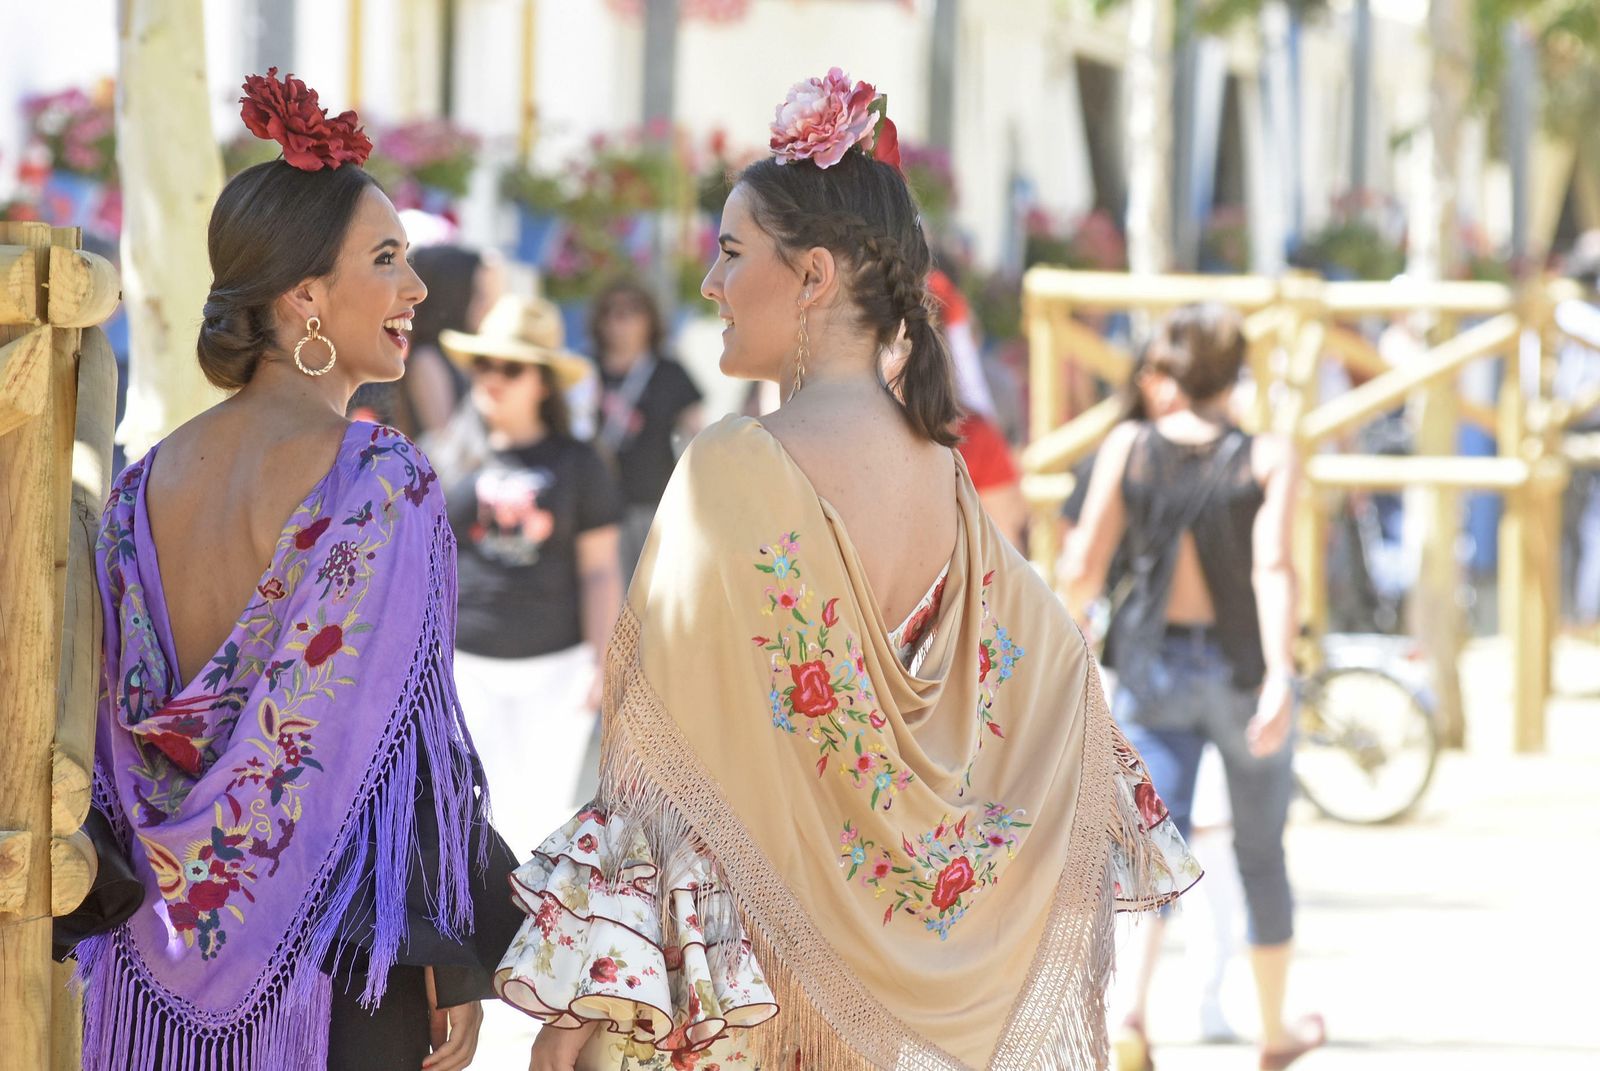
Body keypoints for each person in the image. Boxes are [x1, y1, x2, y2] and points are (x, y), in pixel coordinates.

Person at [494, 68, 1199, 1071]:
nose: (710, 286)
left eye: (732, 254)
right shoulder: (947, 482)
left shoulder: (734, 468)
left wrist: (584, 1009)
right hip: (893, 1019)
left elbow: (663, 776)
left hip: (747, 1004)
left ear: (816, 275)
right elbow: (1058, 681)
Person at [67, 69, 520, 1071]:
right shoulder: (377, 480)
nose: (416, 290)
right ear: (306, 295)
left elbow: (113, 738)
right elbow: (411, 754)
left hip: (140, 967)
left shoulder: (143, 486)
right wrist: (449, 959)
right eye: (389, 259)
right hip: (335, 978)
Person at [1061, 304, 1323, 1070]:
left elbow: (1082, 566)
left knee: (1148, 849)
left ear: (1171, 372)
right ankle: (1275, 1031)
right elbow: (1274, 566)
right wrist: (1280, 671)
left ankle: (1133, 1018)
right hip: (1243, 670)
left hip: (1153, 667)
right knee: (1260, 851)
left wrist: (1071, 636)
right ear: (1236, 374)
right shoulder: (1268, 455)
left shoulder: (1129, 445)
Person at [424, 294, 624, 861]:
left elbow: (600, 570)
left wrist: (603, 661)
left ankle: (528, 945)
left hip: (554, 668)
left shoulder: (580, 462)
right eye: (483, 365)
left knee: (539, 819)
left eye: (509, 368)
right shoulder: (450, 455)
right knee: (467, 818)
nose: (492, 379)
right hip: (464, 665)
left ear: (543, 382)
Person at [587, 278, 705, 583]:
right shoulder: (583, 369)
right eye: (612, 311)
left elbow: (699, 435)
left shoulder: (669, 372)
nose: (622, 319)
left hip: (650, 503)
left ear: (650, 319)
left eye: (633, 310)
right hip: (592, 504)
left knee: (650, 596)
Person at [349, 244, 504, 438]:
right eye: (478, 295)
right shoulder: (427, 359)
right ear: (454, 297)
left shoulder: (460, 356)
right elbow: (445, 440)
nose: (487, 306)